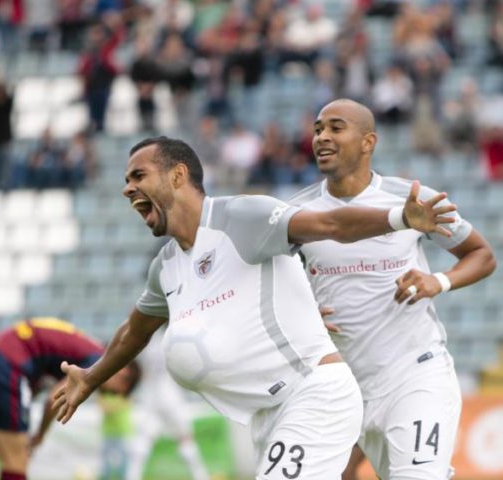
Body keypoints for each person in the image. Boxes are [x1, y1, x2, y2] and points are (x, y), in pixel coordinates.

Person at [53, 136, 456, 478]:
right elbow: (134, 331)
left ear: (177, 176)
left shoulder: (242, 216)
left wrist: (399, 217)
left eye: (138, 176)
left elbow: (331, 226)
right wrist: (91, 377)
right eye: (126, 180)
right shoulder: (167, 265)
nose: (127, 188)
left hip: (314, 396)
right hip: (267, 415)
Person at [288, 99, 497, 480]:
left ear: (368, 142)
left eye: (336, 127)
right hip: (343, 387)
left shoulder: (411, 200)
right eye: (318, 129)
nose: (322, 137)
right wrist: (299, 313)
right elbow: (268, 286)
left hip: (414, 374)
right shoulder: (297, 215)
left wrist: (438, 281)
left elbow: (481, 254)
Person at [0, 317, 139, 480]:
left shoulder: (87, 347)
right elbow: (54, 398)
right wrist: (41, 434)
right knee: (17, 460)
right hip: (7, 368)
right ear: (124, 373)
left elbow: (41, 373)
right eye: (115, 393)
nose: (105, 394)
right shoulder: (97, 360)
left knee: (10, 459)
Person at [125, 324, 209, 480]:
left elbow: (141, 372)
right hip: (170, 394)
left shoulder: (148, 343)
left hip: (150, 395)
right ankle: (201, 476)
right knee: (185, 438)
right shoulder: (173, 340)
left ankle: (132, 476)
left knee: (143, 440)